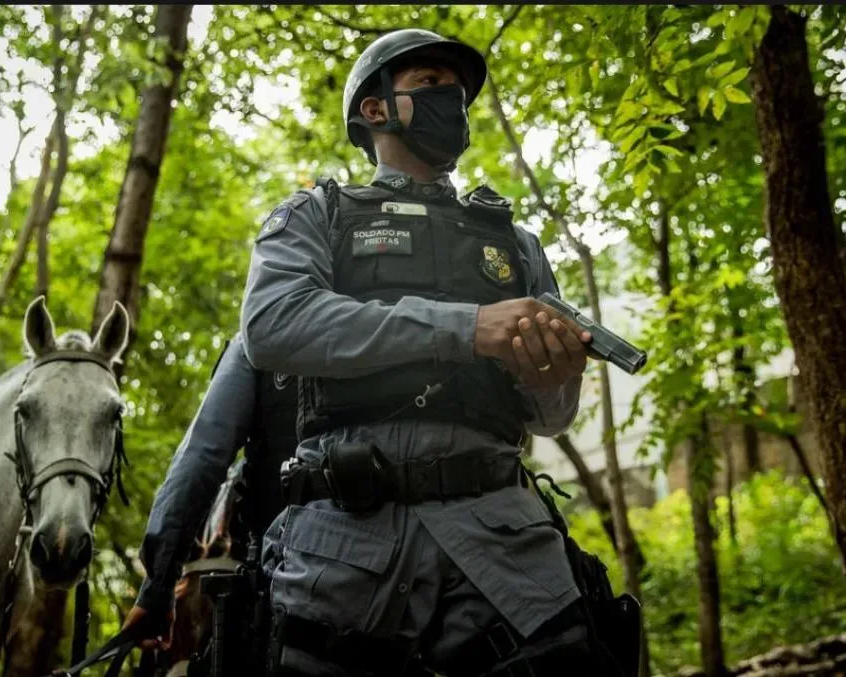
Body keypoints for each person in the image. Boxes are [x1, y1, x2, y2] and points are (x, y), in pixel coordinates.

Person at [241, 28, 613, 677]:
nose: (454, 103)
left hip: (508, 550)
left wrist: (552, 370)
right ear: (375, 108)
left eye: (460, 94)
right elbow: (274, 323)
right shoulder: (316, 214)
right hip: (340, 555)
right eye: (432, 86)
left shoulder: (516, 243)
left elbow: (550, 415)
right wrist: (468, 327)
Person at [121, 332, 300, 664]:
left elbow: (200, 460)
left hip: (280, 594)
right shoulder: (415, 325)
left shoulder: (261, 335)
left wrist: (157, 590)